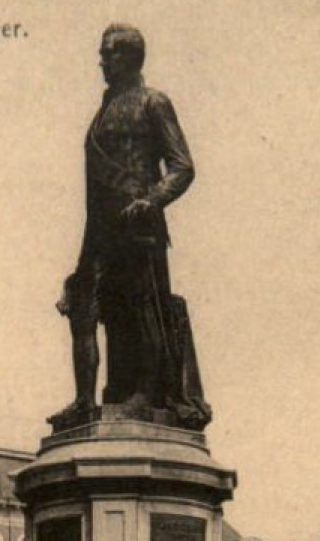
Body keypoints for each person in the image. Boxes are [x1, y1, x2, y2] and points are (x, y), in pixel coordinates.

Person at [51, 24, 212, 431]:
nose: (102, 61)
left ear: (131, 57)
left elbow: (182, 166)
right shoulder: (103, 112)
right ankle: (86, 399)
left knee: (139, 307)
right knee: (85, 305)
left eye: (110, 54)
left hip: (139, 226)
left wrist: (151, 200)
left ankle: (147, 390)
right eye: (103, 54)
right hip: (100, 229)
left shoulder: (153, 102)